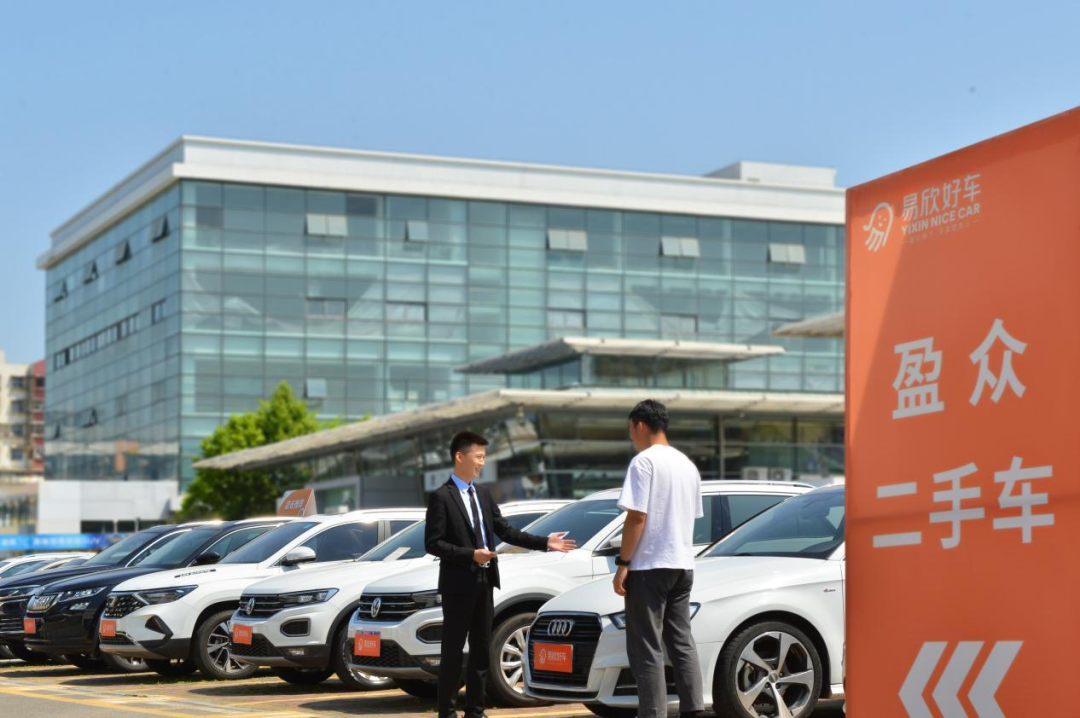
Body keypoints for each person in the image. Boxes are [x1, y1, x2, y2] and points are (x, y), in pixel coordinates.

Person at [425, 430, 577, 718]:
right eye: (479, 457)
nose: (482, 463)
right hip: (458, 585)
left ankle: (475, 710)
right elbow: (433, 543)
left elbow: (506, 531)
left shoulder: (482, 494)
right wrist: (470, 554)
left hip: (485, 581)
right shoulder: (441, 497)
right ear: (460, 457)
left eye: (484, 457)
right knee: (453, 651)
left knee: (482, 650)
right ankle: (447, 711)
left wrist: (545, 542)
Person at [612, 399, 705, 718]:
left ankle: (652, 713)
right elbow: (691, 516)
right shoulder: (687, 465)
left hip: (650, 565)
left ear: (639, 425)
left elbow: (637, 516)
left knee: (646, 646)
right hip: (683, 564)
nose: (631, 436)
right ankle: (693, 710)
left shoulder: (644, 462)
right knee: (681, 642)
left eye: (630, 429)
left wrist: (623, 564)